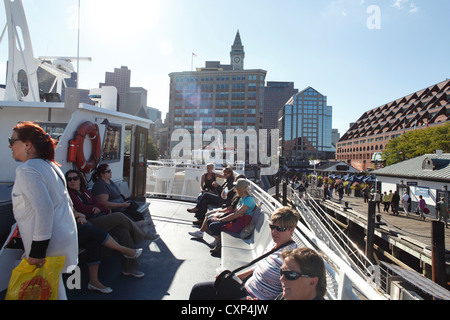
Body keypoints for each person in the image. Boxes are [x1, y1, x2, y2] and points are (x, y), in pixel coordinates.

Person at [8, 121, 78, 300]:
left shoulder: (27, 170)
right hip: (63, 239)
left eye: (12, 140)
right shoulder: (52, 166)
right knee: (53, 288)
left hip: (47, 246)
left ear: (27, 145)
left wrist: (37, 251)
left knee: (45, 289)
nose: (10, 145)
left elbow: (45, 209)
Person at [189, 207, 299, 300]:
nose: (274, 232)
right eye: (272, 227)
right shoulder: (274, 243)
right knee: (198, 290)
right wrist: (234, 278)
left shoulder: (291, 258)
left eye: (280, 228)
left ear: (291, 230)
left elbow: (288, 294)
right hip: (243, 289)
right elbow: (257, 268)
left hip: (253, 297)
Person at [66, 169, 154, 278]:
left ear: (80, 180)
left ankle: (130, 268)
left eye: (75, 178)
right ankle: (142, 234)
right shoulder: (69, 194)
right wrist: (94, 208)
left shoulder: (85, 192)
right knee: (119, 217)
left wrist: (97, 207)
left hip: (100, 218)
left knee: (123, 232)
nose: (72, 181)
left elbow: (99, 204)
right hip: (89, 223)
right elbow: (81, 208)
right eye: (69, 179)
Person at [73, 209, 142, 293]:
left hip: (79, 225)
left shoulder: (65, 197)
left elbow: (74, 211)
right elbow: (62, 216)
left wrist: (80, 216)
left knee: (120, 232)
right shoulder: (57, 197)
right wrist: (78, 215)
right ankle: (125, 250)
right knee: (117, 217)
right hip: (66, 233)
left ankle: (93, 282)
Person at [206, 179, 256, 255]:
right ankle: (219, 242)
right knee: (209, 220)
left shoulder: (249, 200)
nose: (235, 189)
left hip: (240, 223)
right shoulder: (242, 198)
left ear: (240, 188)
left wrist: (220, 220)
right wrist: (220, 216)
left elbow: (236, 214)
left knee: (213, 226)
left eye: (236, 187)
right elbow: (234, 212)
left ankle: (220, 244)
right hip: (236, 219)